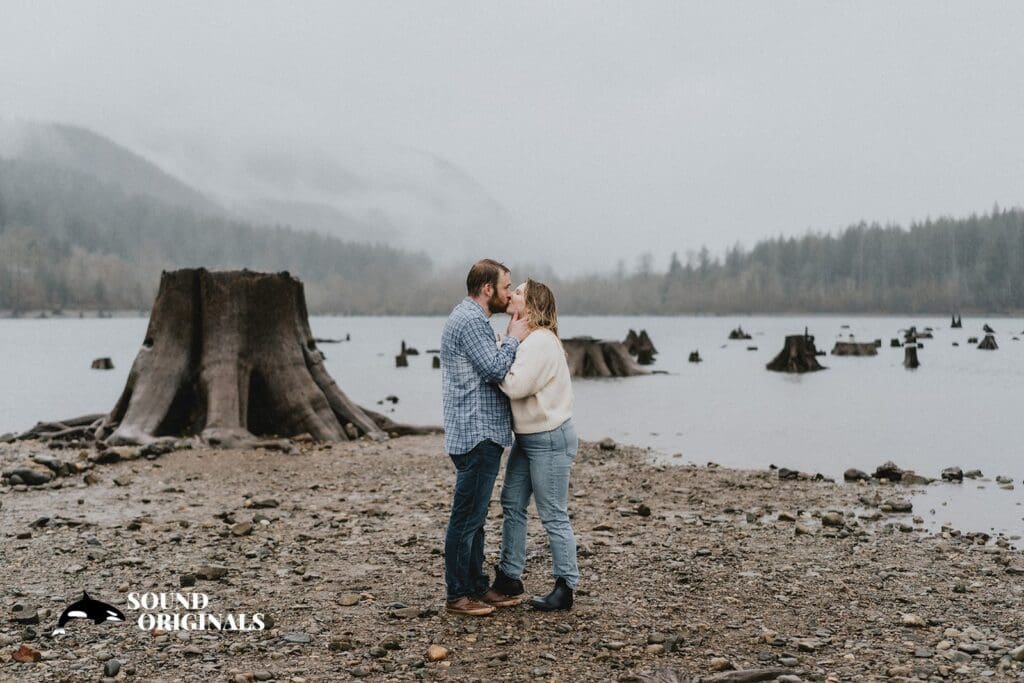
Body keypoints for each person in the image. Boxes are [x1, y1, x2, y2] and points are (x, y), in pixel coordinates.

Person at [440, 259, 531, 616]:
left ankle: (476, 586)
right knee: (465, 520)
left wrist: (506, 338)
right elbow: (494, 369)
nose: (509, 294)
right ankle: (457, 595)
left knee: (475, 519)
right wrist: (514, 338)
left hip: (475, 432)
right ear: (488, 288)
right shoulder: (471, 321)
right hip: (476, 433)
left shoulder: (472, 320)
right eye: (506, 287)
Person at [484, 279, 579, 611]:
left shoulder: (541, 341)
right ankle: (509, 577)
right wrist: (508, 341)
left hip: (549, 437)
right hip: (528, 437)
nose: (512, 295)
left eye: (520, 292)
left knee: (553, 513)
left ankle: (565, 587)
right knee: (512, 502)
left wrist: (502, 350)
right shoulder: (528, 339)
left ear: (533, 305)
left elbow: (515, 385)